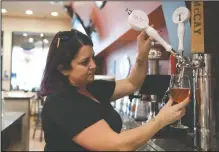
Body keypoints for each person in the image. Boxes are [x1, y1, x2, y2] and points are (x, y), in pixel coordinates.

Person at [40, 29, 190, 151]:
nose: (93, 65)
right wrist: (160, 120)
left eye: (92, 58)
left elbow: (132, 83)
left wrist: (142, 54)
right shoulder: (61, 104)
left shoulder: (90, 87)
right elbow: (118, 145)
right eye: (85, 62)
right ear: (63, 69)